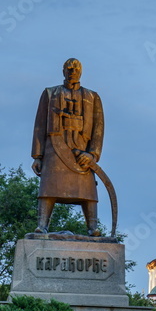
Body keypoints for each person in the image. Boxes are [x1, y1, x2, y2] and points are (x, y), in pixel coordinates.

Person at [31, 58, 103, 235]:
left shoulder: (92, 97)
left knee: (88, 190)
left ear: (81, 72)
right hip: (54, 148)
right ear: (63, 71)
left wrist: (93, 155)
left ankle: (92, 227)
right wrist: (37, 156)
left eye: (76, 68)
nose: (73, 71)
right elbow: (39, 125)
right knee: (49, 186)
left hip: (82, 150)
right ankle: (42, 225)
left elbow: (98, 129)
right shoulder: (50, 94)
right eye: (69, 68)